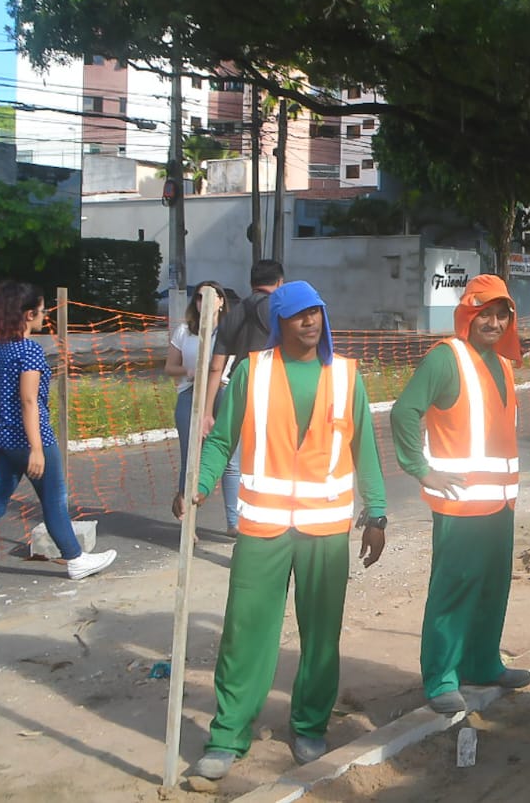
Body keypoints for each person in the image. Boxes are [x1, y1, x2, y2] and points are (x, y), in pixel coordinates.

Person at [187, 281, 389, 781]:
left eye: (316, 312)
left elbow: (365, 449)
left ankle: (309, 725)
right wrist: (197, 483)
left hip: (325, 530)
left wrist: (377, 513)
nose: (310, 322)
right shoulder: (252, 374)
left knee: (321, 636)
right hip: (264, 527)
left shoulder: (345, 377)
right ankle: (228, 734)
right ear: (279, 321)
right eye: (298, 314)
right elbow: (220, 440)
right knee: (245, 633)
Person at [391, 274, 530, 716]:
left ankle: (483, 662)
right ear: (468, 314)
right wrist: (420, 469)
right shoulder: (447, 359)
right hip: (460, 502)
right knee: (453, 591)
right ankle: (441, 678)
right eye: (484, 313)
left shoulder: (502, 364)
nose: (493, 322)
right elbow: (403, 412)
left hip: (500, 503)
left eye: (501, 314)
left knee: (493, 587)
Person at [0, 282, 118, 597]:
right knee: (54, 501)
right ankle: (76, 559)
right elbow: (29, 400)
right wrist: (37, 449)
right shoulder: (29, 350)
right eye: (42, 311)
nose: (45, 316)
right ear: (28, 315)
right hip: (29, 438)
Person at [165, 280, 240, 534]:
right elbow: (169, 367)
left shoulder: (230, 330)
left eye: (211, 296)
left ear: (221, 301)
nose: (203, 301)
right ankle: (188, 525)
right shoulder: (185, 331)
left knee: (230, 458)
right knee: (191, 456)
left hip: (222, 391)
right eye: (198, 297)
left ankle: (234, 522)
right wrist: (190, 371)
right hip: (190, 392)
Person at [203, 258, 284, 436]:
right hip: (274, 389)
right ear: (280, 282)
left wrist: (207, 412)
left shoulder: (232, 315)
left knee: (236, 454)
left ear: (251, 283)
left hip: (238, 387)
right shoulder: (281, 311)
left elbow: (216, 367)